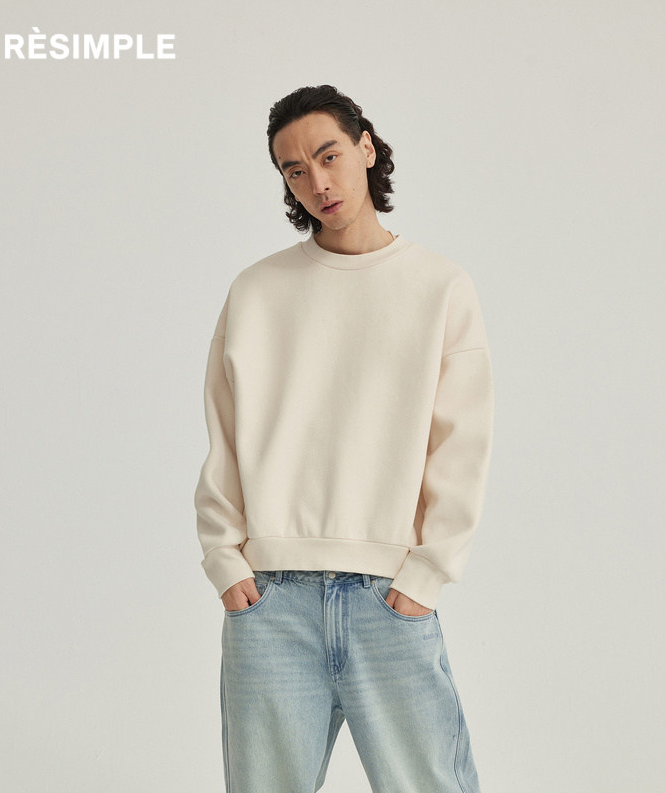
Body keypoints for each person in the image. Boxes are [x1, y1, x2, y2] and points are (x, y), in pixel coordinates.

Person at [194, 84, 494, 793]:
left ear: (365, 147)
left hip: (389, 596)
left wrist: (426, 575)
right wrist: (227, 564)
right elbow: (224, 435)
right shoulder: (257, 291)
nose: (317, 183)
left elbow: (461, 443)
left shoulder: (439, 287)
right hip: (271, 603)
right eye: (295, 170)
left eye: (328, 156)